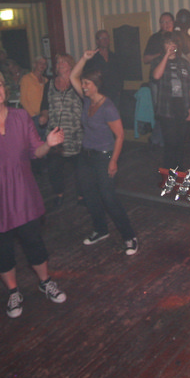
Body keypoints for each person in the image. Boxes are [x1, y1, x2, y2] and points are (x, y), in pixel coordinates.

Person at [0, 69, 68, 319]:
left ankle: (45, 281)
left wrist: (48, 145)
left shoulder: (20, 116)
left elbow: (35, 152)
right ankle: (13, 292)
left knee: (34, 241)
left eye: (0, 85)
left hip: (22, 192)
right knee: (2, 248)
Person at [70, 51, 138, 255]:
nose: (83, 86)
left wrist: (113, 161)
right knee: (89, 195)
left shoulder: (108, 107)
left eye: (87, 83)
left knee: (108, 198)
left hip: (104, 156)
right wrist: (84, 59)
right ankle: (101, 230)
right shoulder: (87, 100)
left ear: (96, 85)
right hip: (86, 155)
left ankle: (129, 236)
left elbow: (120, 136)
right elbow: (72, 76)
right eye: (83, 83)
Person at [39, 54, 83, 206]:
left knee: (80, 168)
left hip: (75, 133)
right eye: (57, 62)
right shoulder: (50, 84)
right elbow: (45, 106)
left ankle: (81, 196)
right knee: (54, 167)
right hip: (55, 134)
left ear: (71, 65)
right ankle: (59, 193)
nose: (59, 64)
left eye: (63, 62)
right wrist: (44, 116)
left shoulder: (78, 83)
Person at [152, 32, 190, 172]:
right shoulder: (158, 61)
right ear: (164, 46)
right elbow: (156, 76)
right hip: (166, 107)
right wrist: (166, 56)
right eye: (167, 43)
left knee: (180, 142)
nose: (170, 46)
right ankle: (168, 171)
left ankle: (179, 170)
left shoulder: (184, 63)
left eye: (173, 43)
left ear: (177, 45)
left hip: (182, 106)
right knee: (170, 142)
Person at [86, 30, 123, 107]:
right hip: (98, 94)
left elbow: (120, 74)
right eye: (102, 38)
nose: (105, 40)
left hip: (114, 94)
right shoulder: (92, 58)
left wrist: (119, 90)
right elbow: (87, 76)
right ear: (97, 41)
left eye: (107, 38)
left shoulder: (114, 57)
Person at [19, 56, 48, 132]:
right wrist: (33, 115)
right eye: (40, 63)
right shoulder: (26, 79)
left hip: (44, 116)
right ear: (35, 64)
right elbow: (23, 100)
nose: (42, 65)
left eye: (45, 63)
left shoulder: (46, 80)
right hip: (33, 116)